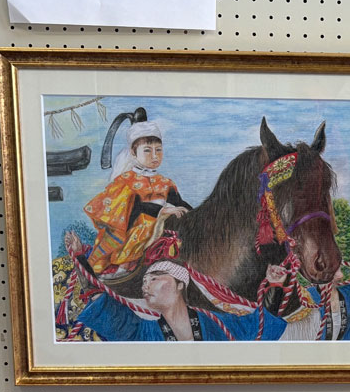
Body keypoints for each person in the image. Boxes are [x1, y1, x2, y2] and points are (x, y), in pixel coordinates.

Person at [64, 231, 290, 342]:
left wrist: (276, 286)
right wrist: (80, 259)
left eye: (155, 278)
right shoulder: (141, 332)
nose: (146, 285)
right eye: (144, 281)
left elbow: (260, 329)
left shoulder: (218, 324)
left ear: (180, 284)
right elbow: (100, 301)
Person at [83, 121, 191, 277]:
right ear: (133, 153)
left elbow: (179, 204)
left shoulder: (165, 183)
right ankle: (123, 267)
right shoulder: (126, 180)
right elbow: (133, 208)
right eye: (147, 150)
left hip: (160, 224)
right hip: (134, 226)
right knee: (143, 228)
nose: (155, 156)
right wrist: (162, 210)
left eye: (158, 150)